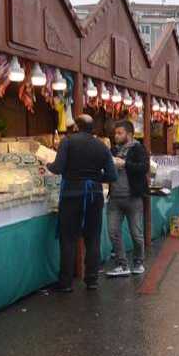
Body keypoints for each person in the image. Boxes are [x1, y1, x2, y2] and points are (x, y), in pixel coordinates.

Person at [47, 114, 117, 291]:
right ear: (92, 128)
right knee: (93, 238)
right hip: (94, 195)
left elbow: (58, 168)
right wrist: (95, 178)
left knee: (68, 239)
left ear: (77, 127)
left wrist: (47, 164)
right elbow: (112, 175)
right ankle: (92, 280)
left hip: (71, 194)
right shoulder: (102, 146)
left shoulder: (67, 142)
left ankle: (65, 283)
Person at [105, 120, 149, 277]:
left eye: (119, 133)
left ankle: (138, 262)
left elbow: (144, 167)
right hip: (114, 198)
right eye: (115, 133)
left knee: (136, 234)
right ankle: (121, 264)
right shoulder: (112, 150)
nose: (116, 136)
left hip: (133, 198)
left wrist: (124, 164)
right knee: (113, 232)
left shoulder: (138, 149)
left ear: (129, 135)